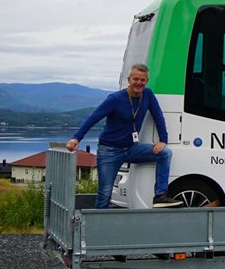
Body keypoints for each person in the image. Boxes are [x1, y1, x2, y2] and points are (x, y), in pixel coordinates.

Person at [67, 63, 179, 209]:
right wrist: (76, 138)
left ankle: (160, 196)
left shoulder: (148, 95)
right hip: (109, 151)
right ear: (129, 79)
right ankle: (100, 226)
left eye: (142, 80)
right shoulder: (115, 98)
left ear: (146, 81)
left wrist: (163, 140)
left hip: (131, 148)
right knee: (105, 193)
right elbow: (93, 117)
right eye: (135, 79)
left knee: (165, 153)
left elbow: (158, 117)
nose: (139, 83)